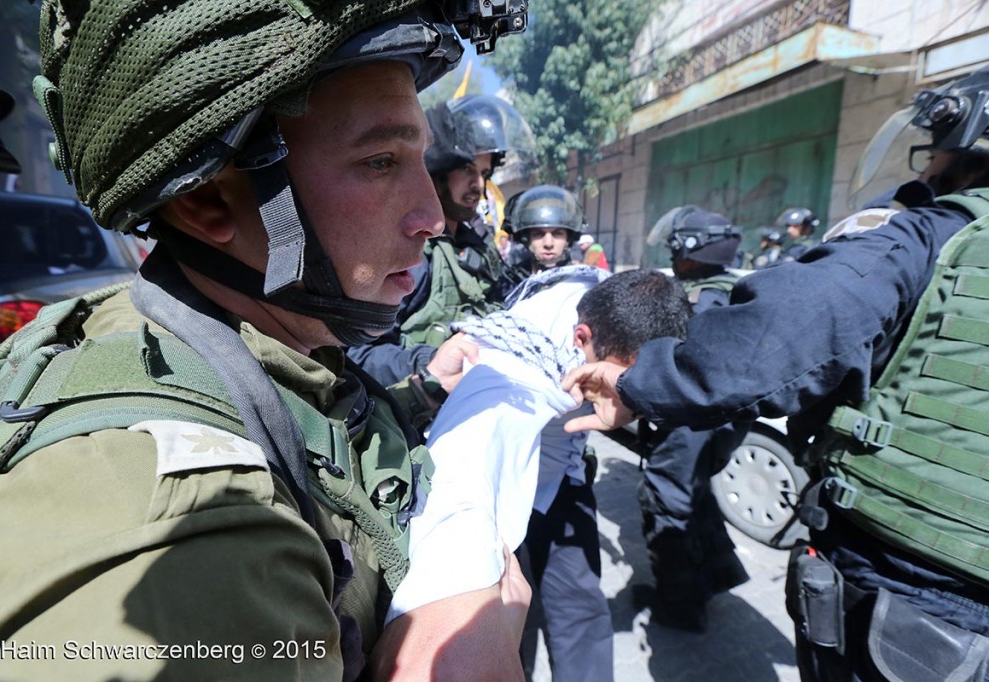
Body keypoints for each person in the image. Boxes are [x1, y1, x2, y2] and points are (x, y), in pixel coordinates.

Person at [0, 1, 531, 680]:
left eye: (416, 159)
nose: (431, 217)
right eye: (380, 162)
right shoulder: (187, 544)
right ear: (207, 203)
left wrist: (420, 393)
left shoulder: (238, 338)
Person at [563, 67, 989, 681]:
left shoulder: (931, 239)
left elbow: (759, 347)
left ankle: (686, 598)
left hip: (922, 592)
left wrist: (633, 381)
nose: (925, 170)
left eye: (937, 151)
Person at [388, 266, 693, 682]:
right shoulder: (510, 371)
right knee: (513, 614)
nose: (614, 387)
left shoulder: (607, 301)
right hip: (508, 502)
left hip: (563, 484)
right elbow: (459, 483)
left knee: (581, 607)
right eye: (615, 375)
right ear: (581, 337)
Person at [347, 94, 534, 410]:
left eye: (485, 174)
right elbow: (360, 356)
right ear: (435, 170)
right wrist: (432, 361)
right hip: (421, 416)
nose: (478, 185)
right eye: (467, 170)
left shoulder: (479, 248)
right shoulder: (410, 252)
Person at [637, 205, 750, 632]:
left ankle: (679, 607)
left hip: (689, 423)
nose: (671, 255)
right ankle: (717, 575)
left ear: (692, 249)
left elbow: (682, 364)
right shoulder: (724, 287)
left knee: (667, 503)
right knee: (695, 498)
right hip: (714, 421)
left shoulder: (705, 298)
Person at [509, 185, 587, 275]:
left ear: (569, 239)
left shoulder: (583, 283)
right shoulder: (513, 283)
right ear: (526, 239)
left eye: (557, 234)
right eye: (538, 234)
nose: (548, 244)